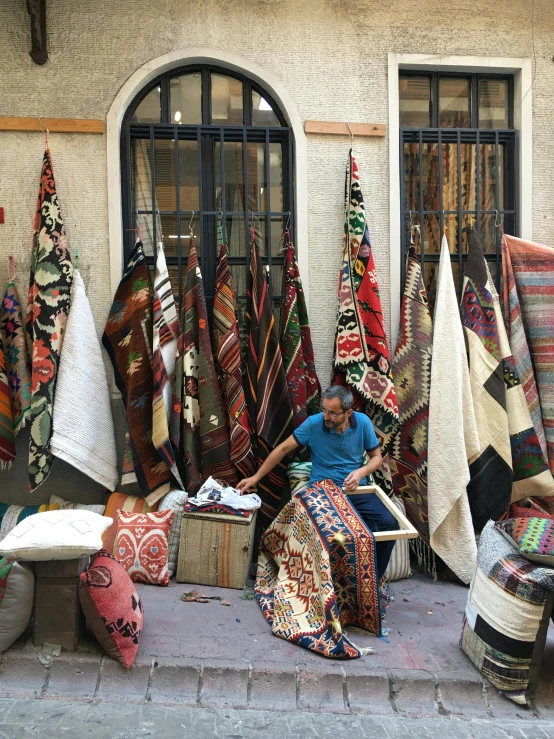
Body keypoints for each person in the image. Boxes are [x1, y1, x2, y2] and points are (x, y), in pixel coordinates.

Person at [237, 385, 396, 579]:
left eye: (332, 413)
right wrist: (255, 477)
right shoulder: (314, 424)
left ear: (348, 413)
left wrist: (361, 471)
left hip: (355, 490)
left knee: (390, 524)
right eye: (324, 410)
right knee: (336, 534)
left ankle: (371, 580)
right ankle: (323, 582)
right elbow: (282, 449)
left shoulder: (362, 423)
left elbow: (376, 457)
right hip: (323, 491)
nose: (326, 416)